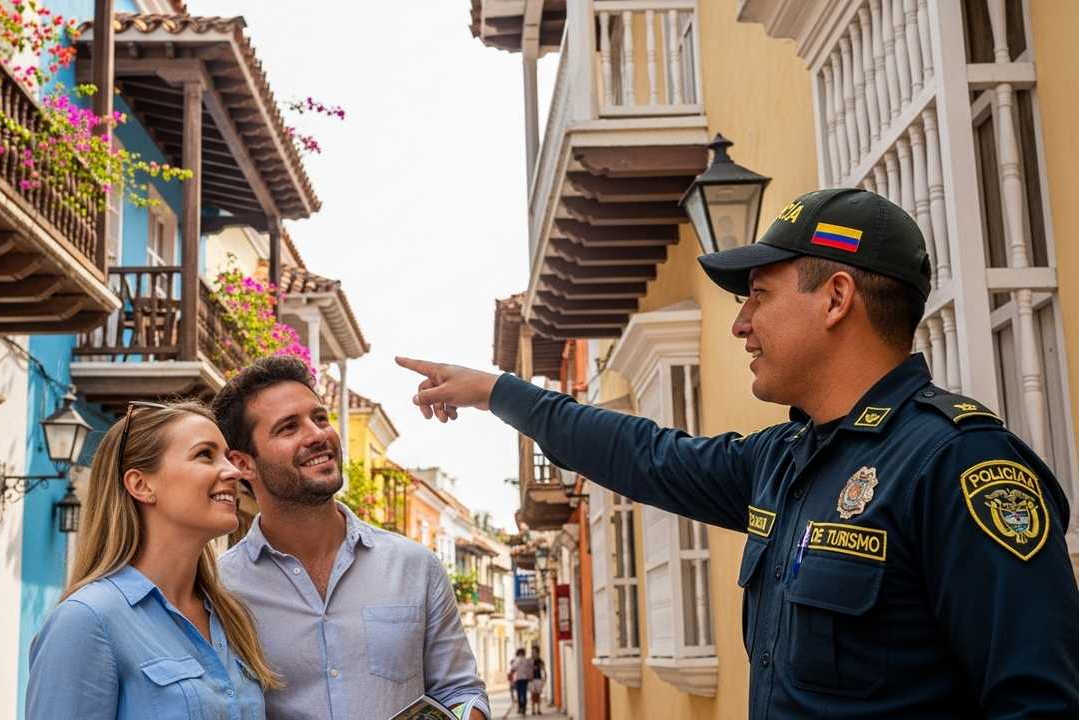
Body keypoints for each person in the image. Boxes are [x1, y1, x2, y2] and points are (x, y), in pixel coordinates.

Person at [397, 188, 1079, 718]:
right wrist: (501, 393)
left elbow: (1037, 702)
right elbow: (645, 454)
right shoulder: (781, 461)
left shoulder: (959, 466)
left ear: (837, 297)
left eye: (759, 295)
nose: (740, 323)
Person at [213, 357, 490, 720]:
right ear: (243, 463)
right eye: (288, 428)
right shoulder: (221, 590)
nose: (317, 435)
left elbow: (460, 691)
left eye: (320, 418)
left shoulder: (415, 567)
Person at [26, 400, 279, 719]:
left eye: (228, 457)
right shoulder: (86, 621)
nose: (233, 471)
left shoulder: (233, 618)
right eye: (205, 454)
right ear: (141, 485)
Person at [507, 648, 531, 715]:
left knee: (519, 693)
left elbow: (513, 668)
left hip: (519, 679)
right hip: (525, 679)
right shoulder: (526, 660)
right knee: (524, 693)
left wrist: (511, 673)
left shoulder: (517, 660)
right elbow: (529, 669)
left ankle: (520, 708)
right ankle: (524, 708)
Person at [529, 648, 545, 715]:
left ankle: (538, 709)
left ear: (538, 653)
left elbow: (543, 669)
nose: (533, 653)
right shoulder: (529, 661)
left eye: (534, 652)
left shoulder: (540, 661)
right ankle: (533, 710)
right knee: (532, 695)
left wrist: (544, 678)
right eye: (532, 652)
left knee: (538, 695)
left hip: (538, 679)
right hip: (531, 680)